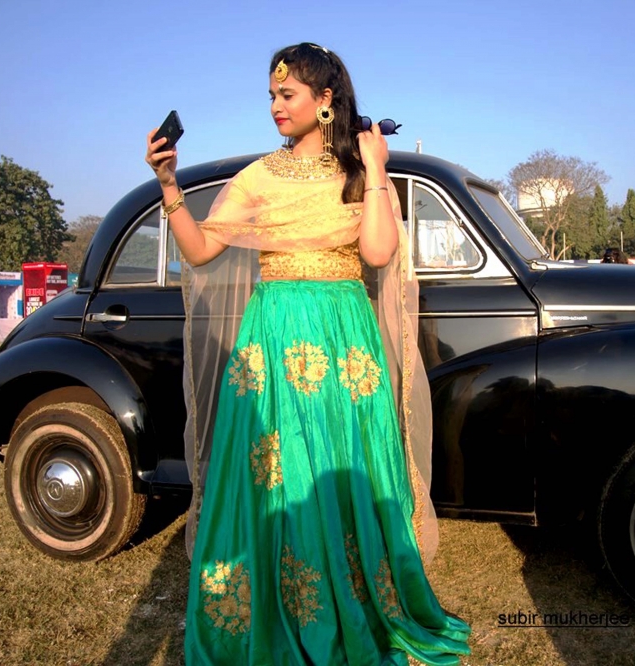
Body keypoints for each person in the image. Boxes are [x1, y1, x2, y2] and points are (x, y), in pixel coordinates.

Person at [145, 43, 470, 665]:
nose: (275, 107)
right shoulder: (259, 176)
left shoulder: (357, 171)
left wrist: (376, 169)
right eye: (271, 95)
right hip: (271, 341)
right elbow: (199, 251)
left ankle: (356, 607)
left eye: (286, 95)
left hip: (344, 339)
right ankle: (275, 612)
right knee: (275, 470)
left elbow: (377, 254)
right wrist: (168, 184)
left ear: (326, 101)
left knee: (345, 462)